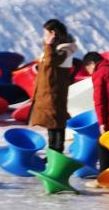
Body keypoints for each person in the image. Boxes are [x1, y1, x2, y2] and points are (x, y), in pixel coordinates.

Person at [30, 19, 78, 152]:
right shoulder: (53, 49)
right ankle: (52, 152)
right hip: (47, 92)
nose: (44, 37)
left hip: (54, 92)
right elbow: (46, 65)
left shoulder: (64, 50)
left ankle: (56, 152)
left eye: (46, 34)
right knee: (51, 123)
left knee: (57, 122)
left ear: (53, 33)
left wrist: (48, 45)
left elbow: (51, 62)